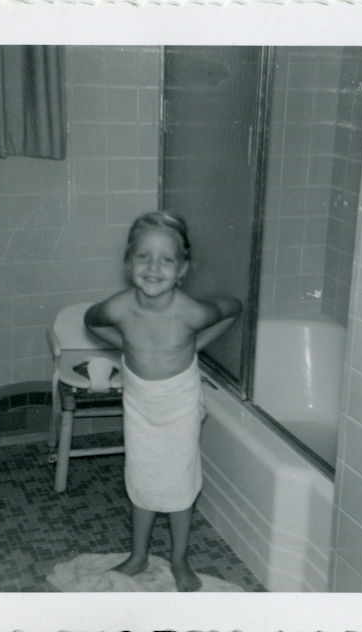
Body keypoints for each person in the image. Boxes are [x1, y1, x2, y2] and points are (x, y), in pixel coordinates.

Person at [84, 211, 242, 592]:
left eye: (166, 259)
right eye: (143, 257)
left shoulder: (192, 312)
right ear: (128, 262)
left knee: (179, 482)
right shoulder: (119, 308)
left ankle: (179, 558)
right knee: (141, 477)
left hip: (179, 404)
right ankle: (138, 556)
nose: (153, 268)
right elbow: (91, 320)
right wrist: (127, 345)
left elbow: (232, 307)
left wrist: (196, 344)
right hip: (140, 403)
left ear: (182, 269)